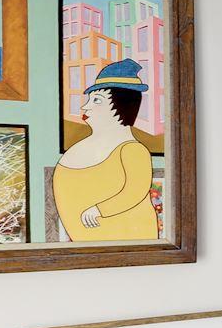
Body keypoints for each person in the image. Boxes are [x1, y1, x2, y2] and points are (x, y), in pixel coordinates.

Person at [53, 58, 158, 242]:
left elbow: (135, 191)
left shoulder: (133, 150)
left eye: (96, 100)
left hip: (129, 243)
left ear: (121, 105)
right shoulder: (83, 147)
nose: (85, 106)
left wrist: (100, 210)